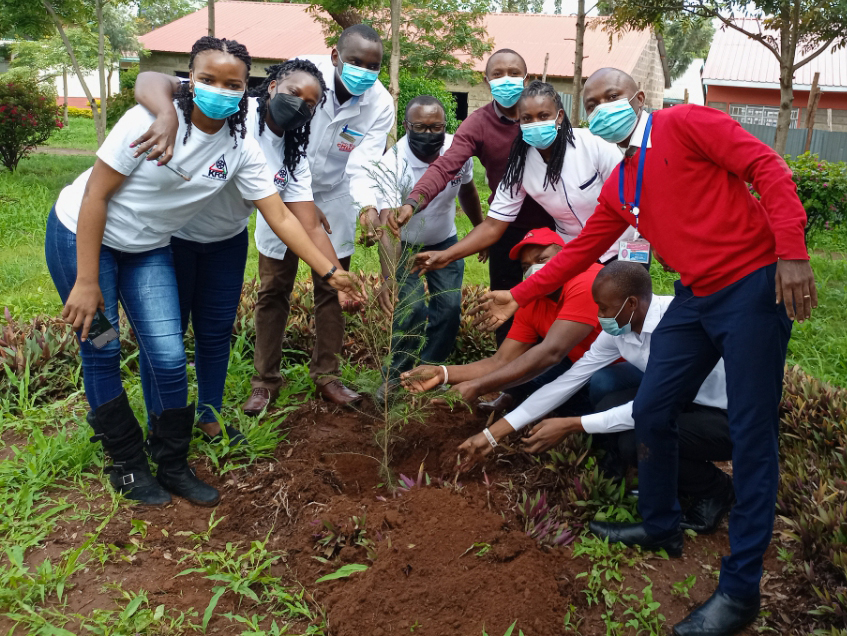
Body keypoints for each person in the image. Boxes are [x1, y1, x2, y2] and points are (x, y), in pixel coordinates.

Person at [471, 67, 816, 636]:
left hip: (753, 286)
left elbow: (766, 166)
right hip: (696, 295)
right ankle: (661, 524)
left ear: (637, 98)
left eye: (613, 96)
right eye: (594, 101)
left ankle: (740, 589)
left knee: (754, 438)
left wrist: (793, 248)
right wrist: (520, 292)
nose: (606, 106)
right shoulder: (623, 183)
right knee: (653, 408)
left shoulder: (687, 123)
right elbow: (580, 250)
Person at [45, 36, 360, 508]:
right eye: (207, 80)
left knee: (170, 356)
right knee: (101, 346)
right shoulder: (148, 120)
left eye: (231, 83)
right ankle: (126, 462)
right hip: (83, 239)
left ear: (244, 89)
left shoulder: (241, 147)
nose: (220, 89)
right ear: (189, 81)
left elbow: (281, 217)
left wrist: (330, 272)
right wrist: (86, 281)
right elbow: (95, 196)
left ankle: (171, 462)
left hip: (148, 249)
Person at [132, 59, 351, 433]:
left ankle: (208, 418)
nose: (299, 105)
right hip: (176, 238)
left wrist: (338, 276)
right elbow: (150, 78)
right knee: (169, 342)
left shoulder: (293, 154)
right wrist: (167, 113)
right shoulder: (234, 108)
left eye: (310, 104)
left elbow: (305, 223)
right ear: (271, 87)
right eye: (293, 92)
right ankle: (163, 425)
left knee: (214, 335)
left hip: (225, 242)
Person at [458, 261, 734, 535]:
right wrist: (491, 435)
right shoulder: (621, 329)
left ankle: (716, 489)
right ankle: (657, 472)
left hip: (725, 417)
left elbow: (642, 410)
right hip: (680, 402)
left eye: (604, 307)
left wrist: (571, 424)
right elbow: (567, 381)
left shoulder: (675, 327)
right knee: (606, 401)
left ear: (631, 304)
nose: (599, 315)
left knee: (636, 439)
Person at [251, 24, 395, 408]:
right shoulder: (302, 79)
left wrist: (366, 205)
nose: (364, 71)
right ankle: (264, 381)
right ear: (335, 57)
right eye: (355, 62)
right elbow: (272, 137)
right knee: (273, 287)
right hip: (278, 189)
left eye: (373, 65)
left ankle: (327, 377)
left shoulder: (379, 104)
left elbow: (364, 162)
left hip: (336, 196)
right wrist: (296, 197)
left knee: (334, 287)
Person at [382, 49, 555, 345]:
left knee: (553, 300)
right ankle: (508, 380)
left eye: (514, 73)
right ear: (486, 81)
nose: (506, 80)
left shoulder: (546, 116)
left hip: (553, 224)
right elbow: (447, 165)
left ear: (527, 79)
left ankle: (552, 372)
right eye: (498, 74)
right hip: (505, 226)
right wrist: (414, 200)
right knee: (505, 304)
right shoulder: (478, 123)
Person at [412, 81, 629, 279]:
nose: (535, 123)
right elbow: (493, 225)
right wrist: (448, 255)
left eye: (543, 116)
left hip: (622, 244)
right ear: (519, 121)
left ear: (559, 116)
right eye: (527, 118)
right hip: (575, 252)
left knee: (625, 312)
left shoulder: (594, 145)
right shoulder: (520, 166)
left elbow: (633, 197)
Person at [402, 228, 601, 415]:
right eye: (526, 267)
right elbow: (501, 361)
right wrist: (441, 373)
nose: (535, 270)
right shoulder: (531, 300)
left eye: (542, 259)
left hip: (618, 367)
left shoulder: (585, 282)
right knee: (521, 374)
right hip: (581, 363)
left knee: (601, 386)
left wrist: (477, 386)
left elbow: (552, 352)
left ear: (565, 257)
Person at [370, 95, 483, 397]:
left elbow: (468, 191)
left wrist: (480, 228)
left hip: (444, 243)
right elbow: (387, 225)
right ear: (406, 125)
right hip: (403, 248)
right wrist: (389, 277)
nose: (429, 134)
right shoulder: (392, 164)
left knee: (448, 309)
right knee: (411, 309)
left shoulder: (457, 152)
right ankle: (396, 375)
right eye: (421, 127)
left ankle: (431, 371)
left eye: (437, 128)